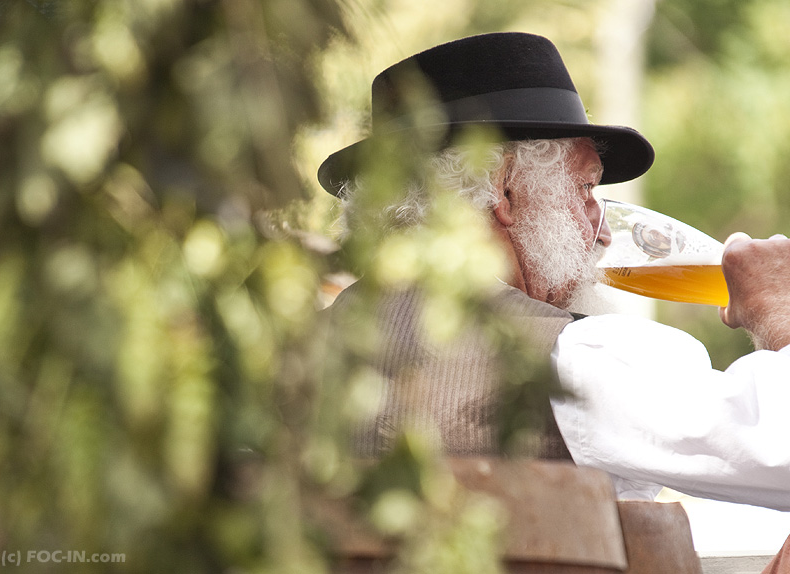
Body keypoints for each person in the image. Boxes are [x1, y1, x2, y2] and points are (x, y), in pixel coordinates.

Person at [318, 32, 790, 567]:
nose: (605, 231)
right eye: (586, 189)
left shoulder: (307, 349)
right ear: (505, 191)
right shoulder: (566, 360)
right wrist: (780, 314)